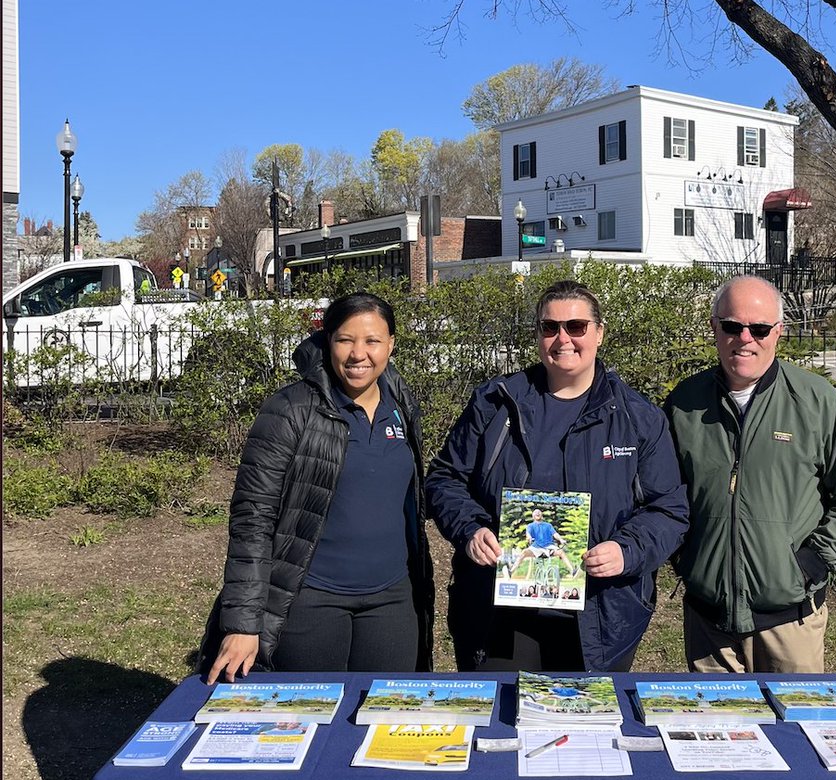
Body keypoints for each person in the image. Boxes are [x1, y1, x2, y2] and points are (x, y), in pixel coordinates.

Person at [426, 279, 688, 673]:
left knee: (584, 727)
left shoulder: (638, 418)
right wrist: (471, 530)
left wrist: (626, 551)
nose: (562, 338)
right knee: (504, 724)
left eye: (576, 327)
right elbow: (444, 478)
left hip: (599, 614)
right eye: (550, 327)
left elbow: (668, 509)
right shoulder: (496, 403)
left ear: (599, 333)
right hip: (502, 613)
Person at [202, 292, 434, 682]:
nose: (358, 353)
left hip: (392, 599)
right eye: (345, 340)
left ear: (391, 344)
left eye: (372, 341)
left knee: (383, 721)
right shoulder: (291, 409)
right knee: (308, 724)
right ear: (328, 342)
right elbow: (252, 518)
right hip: (311, 599)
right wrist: (243, 622)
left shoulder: (402, 405)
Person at [664, 274, 836, 674]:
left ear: (778, 332)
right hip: (708, 623)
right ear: (715, 328)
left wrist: (814, 561)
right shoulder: (683, 404)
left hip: (790, 621)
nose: (745, 338)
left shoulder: (816, 401)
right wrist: (683, 555)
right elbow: (663, 493)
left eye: (759, 328)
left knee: (794, 730)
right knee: (716, 732)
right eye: (732, 326)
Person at [509, 508, 576, 577]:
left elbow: (555, 534)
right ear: (533, 516)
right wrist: (529, 537)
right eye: (535, 512)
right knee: (524, 552)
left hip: (549, 547)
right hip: (536, 548)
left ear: (542, 515)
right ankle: (511, 572)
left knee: (561, 552)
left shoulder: (548, 525)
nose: (537, 513)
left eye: (539, 512)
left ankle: (573, 571)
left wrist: (561, 540)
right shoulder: (530, 526)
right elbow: (528, 533)